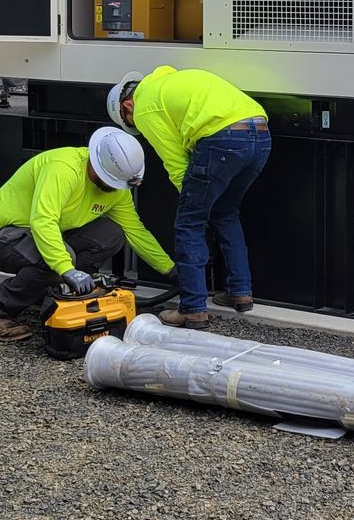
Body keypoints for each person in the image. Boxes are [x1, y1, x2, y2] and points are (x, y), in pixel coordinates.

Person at [0, 126, 175, 342]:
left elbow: (135, 231)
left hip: (46, 232)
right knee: (60, 258)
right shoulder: (63, 168)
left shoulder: (118, 190)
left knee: (112, 235)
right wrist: (66, 268)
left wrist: (170, 270)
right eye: (112, 181)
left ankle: (47, 293)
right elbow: (43, 221)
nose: (115, 187)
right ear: (97, 165)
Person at [108, 66, 270, 330]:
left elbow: (174, 162)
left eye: (130, 122)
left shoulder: (144, 107)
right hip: (260, 134)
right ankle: (240, 292)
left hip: (221, 139)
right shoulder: (168, 83)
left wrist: (192, 203)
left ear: (128, 105)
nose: (137, 126)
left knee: (189, 223)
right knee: (226, 214)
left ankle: (193, 309)